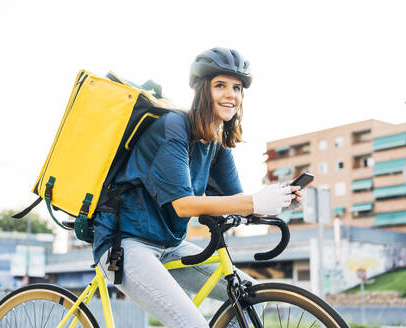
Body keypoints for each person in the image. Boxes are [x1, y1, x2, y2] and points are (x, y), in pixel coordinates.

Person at [93, 47, 302, 328]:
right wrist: (254, 201)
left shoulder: (216, 143)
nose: (231, 95)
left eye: (237, 88)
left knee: (251, 294)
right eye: (220, 85)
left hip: (170, 246)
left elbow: (237, 201)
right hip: (124, 245)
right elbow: (184, 205)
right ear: (203, 90)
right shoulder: (174, 127)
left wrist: (281, 198)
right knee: (191, 323)